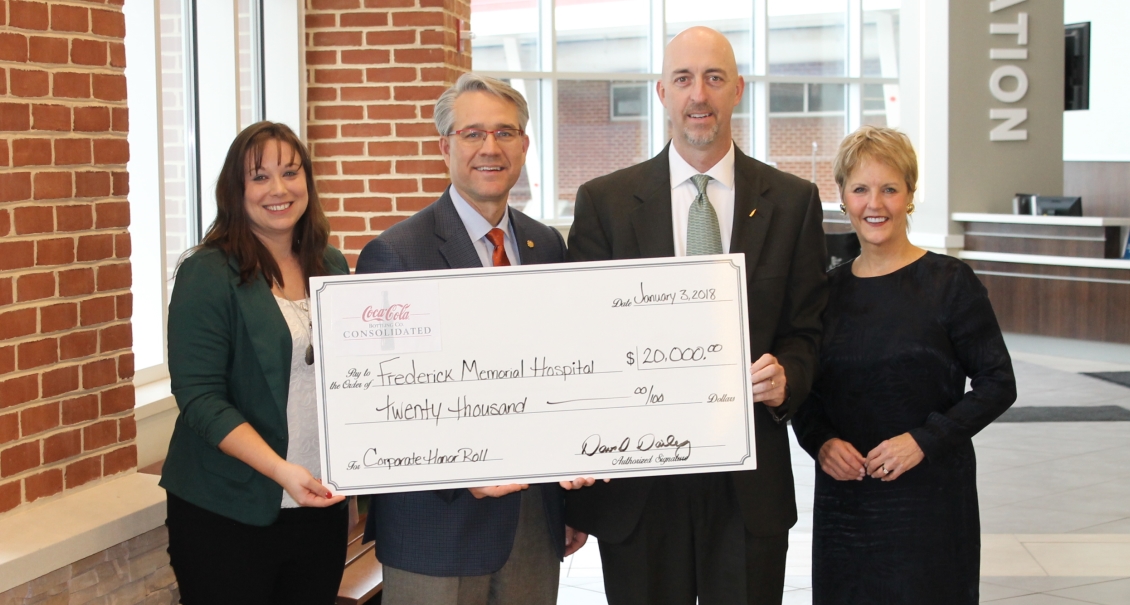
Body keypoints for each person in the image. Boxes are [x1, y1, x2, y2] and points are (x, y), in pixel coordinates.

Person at [565, 27, 828, 605]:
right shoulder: (604, 203)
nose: (699, 95)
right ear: (662, 92)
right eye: (684, 79)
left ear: (737, 89)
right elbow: (579, 341)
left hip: (747, 485)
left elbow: (809, 331)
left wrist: (788, 376)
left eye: (713, 78)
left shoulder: (793, 201)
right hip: (638, 491)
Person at [355, 73, 591, 605]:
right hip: (435, 530)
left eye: (506, 133)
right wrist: (460, 471)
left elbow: (565, 365)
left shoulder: (547, 245)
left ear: (525, 146)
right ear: (445, 146)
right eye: (472, 134)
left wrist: (572, 493)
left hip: (533, 524)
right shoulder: (395, 255)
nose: (490, 147)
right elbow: (377, 403)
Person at [791, 125, 1017, 604]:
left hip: (930, 500)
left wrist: (924, 440)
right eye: (861, 189)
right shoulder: (824, 294)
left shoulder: (950, 282)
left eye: (890, 188)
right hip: (845, 507)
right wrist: (821, 443)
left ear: (909, 195)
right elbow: (805, 393)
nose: (875, 203)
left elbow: (998, 382)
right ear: (843, 197)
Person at [160, 121, 350, 604]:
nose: (279, 189)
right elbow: (200, 399)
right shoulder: (207, 272)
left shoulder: (330, 264)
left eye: (290, 172)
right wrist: (281, 470)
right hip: (228, 510)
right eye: (260, 177)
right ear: (235, 189)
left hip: (319, 506)